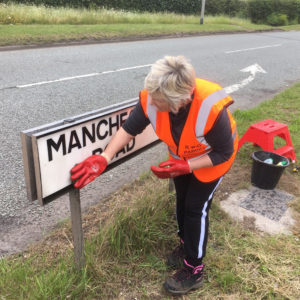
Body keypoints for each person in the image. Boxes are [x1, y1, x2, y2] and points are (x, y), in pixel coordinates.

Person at [70, 56, 238, 295]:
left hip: (213, 159)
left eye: (160, 103)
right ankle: (185, 244)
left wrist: (188, 167)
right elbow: (129, 129)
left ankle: (194, 269)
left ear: (183, 99)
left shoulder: (209, 108)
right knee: (181, 200)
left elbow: (224, 152)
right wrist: (105, 157)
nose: (153, 106)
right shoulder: (153, 97)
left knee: (195, 208)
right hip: (182, 159)